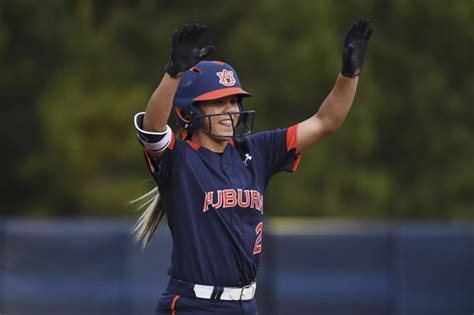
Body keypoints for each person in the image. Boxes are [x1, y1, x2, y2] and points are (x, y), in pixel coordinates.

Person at [132, 19, 373, 315]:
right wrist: (173, 74)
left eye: (234, 102)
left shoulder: (256, 151)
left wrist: (349, 74)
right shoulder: (179, 159)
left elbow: (326, 122)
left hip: (246, 305)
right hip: (194, 306)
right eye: (218, 103)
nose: (231, 111)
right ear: (187, 113)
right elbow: (153, 128)